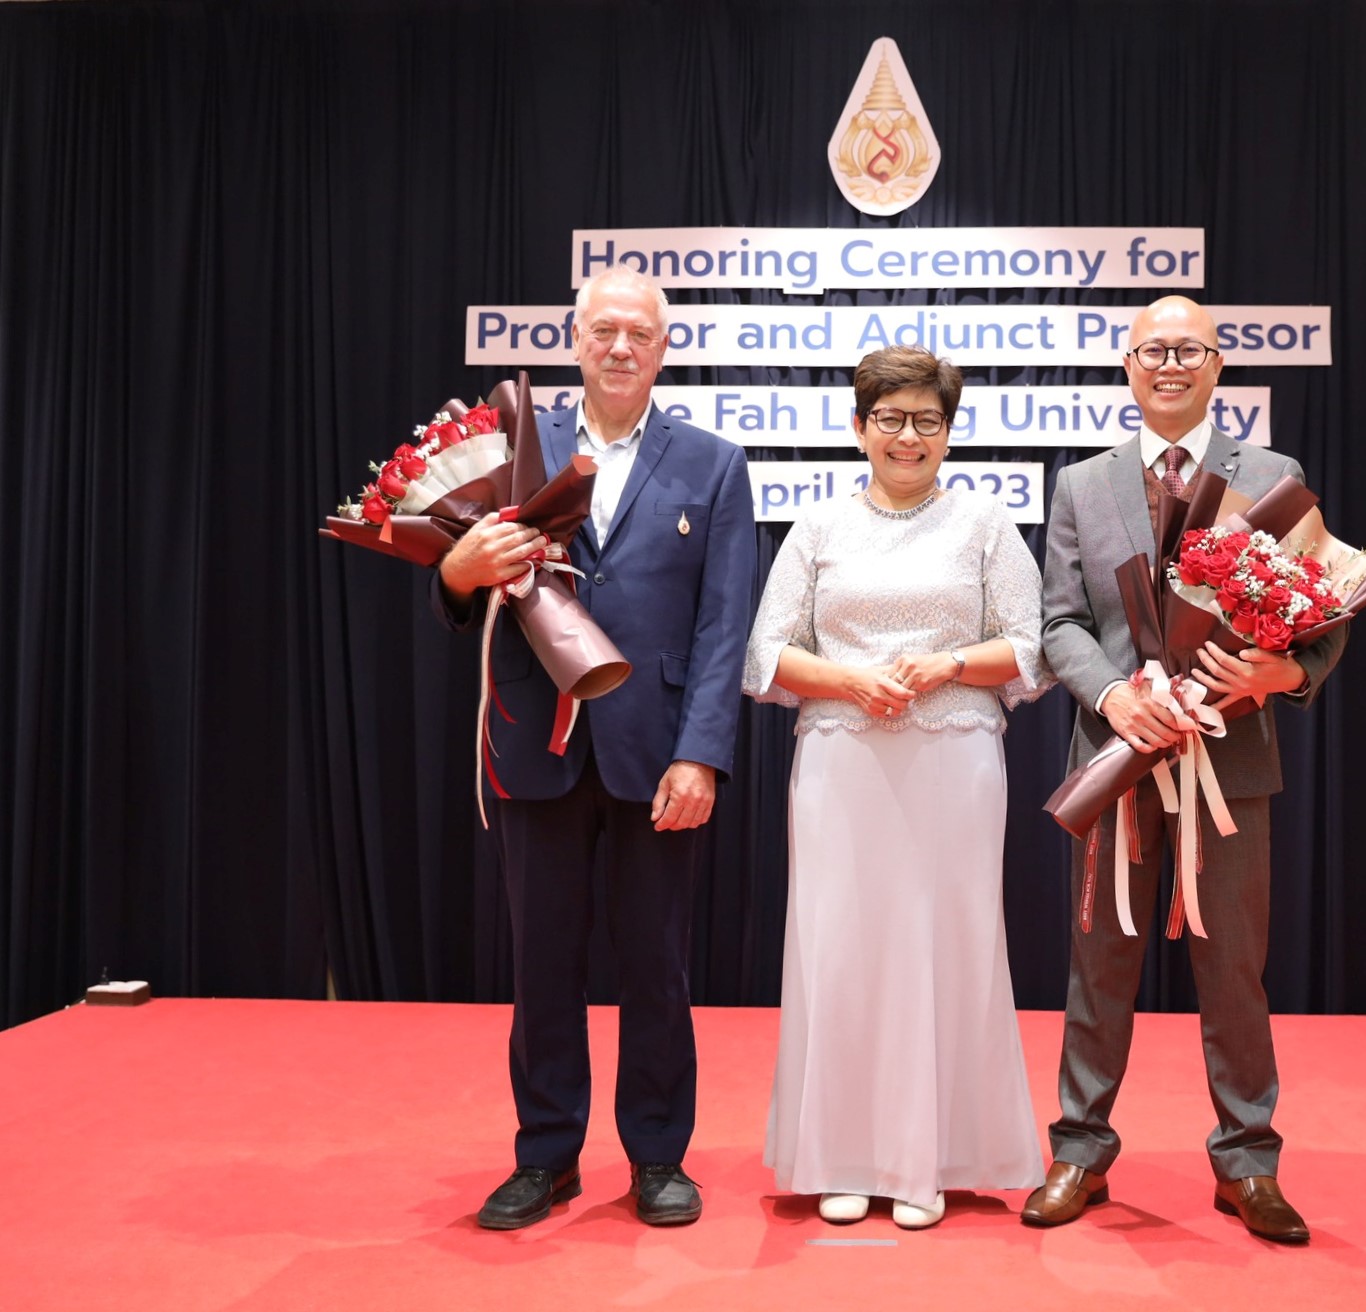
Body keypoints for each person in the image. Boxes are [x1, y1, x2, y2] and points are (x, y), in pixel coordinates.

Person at [432, 267, 755, 1230]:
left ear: (664, 350)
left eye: (640, 335)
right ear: (576, 340)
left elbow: (724, 625)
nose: (621, 348)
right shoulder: (512, 453)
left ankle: (657, 1155)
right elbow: (453, 594)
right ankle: (545, 1157)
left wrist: (701, 753)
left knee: (654, 965)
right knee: (541, 966)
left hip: (655, 755)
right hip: (537, 744)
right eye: (604, 330)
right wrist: (457, 570)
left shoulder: (712, 463)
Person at [1026, 295, 1347, 1243]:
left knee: (1234, 970)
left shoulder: (1273, 475)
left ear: (1218, 365)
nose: (1170, 363)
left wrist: (1288, 669)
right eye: (1152, 349)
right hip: (1119, 757)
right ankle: (1079, 1148)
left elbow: (1319, 617)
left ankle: (1247, 1161)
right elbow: (1058, 625)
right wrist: (1113, 697)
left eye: (1189, 349)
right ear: (1127, 366)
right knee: (1099, 966)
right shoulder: (1082, 485)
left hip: (1229, 760)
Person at [743, 344, 1049, 1229]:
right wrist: (847, 680)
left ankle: (933, 1160)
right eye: (890, 418)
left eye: (926, 420)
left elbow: (1029, 649)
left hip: (954, 764)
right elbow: (765, 653)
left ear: (948, 433)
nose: (907, 436)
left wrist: (949, 662)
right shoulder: (818, 529)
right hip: (841, 763)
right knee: (840, 951)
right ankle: (843, 1154)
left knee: (945, 946)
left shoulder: (986, 523)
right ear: (858, 426)